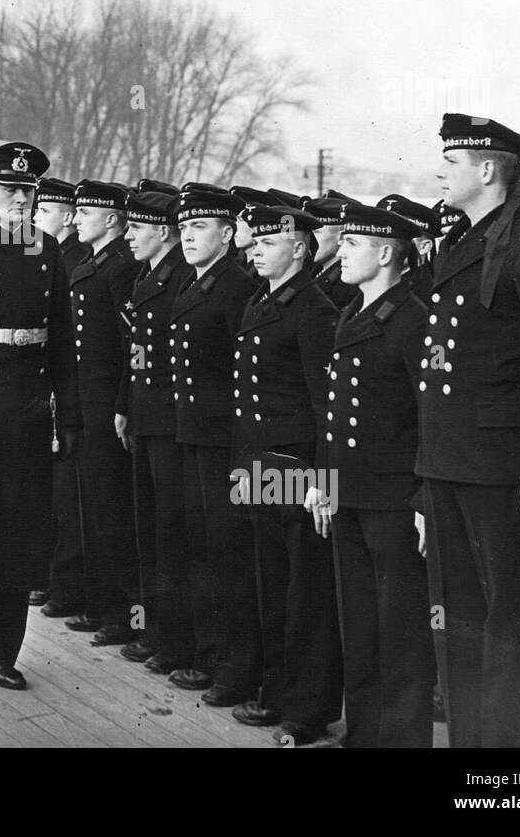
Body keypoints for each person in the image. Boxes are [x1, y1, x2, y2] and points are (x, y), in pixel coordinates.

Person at [416, 112, 520, 748]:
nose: (440, 171)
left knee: (510, 623)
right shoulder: (460, 243)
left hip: (499, 466)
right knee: (458, 622)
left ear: (487, 170)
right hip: (447, 463)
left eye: (451, 162)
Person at [0, 143, 79, 691]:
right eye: (9, 190)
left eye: (29, 191)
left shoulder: (49, 250)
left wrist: (67, 418)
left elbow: (64, 343)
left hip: (29, 404)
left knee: (19, 530)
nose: (21, 200)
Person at [311, 201, 435, 747]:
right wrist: (322, 482)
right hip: (350, 493)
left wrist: (424, 500)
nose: (340, 252)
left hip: (393, 500)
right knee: (357, 623)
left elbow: (432, 418)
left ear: (386, 253)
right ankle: (363, 734)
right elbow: (332, 411)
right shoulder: (353, 312)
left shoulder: (413, 320)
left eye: (353, 245)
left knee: (401, 629)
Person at [230, 202, 342, 747]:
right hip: (257, 462)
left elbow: (328, 406)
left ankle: (307, 707)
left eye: (267, 244)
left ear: (299, 248)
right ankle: (275, 691)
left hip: (296, 466)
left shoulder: (313, 310)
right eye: (254, 243)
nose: (254, 251)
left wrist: (324, 478)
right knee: (269, 580)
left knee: (305, 589)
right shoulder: (263, 299)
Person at [166, 184, 261, 706]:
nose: (189, 237)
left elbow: (242, 376)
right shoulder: (195, 283)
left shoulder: (234, 288)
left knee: (227, 556)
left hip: (223, 441)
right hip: (194, 436)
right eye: (183, 228)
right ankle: (208, 656)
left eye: (199, 227)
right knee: (201, 550)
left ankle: (235, 667)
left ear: (227, 234)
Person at [114, 190, 193, 672]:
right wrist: (125, 403)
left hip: (169, 423)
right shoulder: (148, 273)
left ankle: (174, 640)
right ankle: (156, 633)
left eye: (137, 228)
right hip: (145, 416)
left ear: (162, 232)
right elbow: (136, 351)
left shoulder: (180, 276)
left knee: (169, 534)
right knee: (149, 528)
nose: (129, 236)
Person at [64, 180, 141, 647]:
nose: (75, 221)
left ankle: (117, 611)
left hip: (108, 402)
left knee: (112, 508)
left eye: (85, 214)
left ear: (111, 220)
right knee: (93, 503)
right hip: (85, 399)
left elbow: (131, 346)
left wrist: (122, 404)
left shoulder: (120, 269)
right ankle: (98, 602)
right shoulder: (93, 263)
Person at [33, 177, 91, 618]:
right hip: (57, 388)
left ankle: (64, 581)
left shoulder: (71, 258)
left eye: (44, 211)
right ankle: (52, 576)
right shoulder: (52, 254)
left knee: (72, 498)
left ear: (67, 218)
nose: (35, 217)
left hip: (83, 391)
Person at [303, 194, 359, 309]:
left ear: (340, 238)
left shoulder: (348, 284)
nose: (309, 240)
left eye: (316, 233)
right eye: (308, 234)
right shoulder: (314, 270)